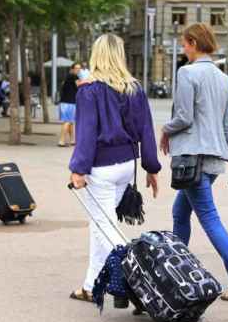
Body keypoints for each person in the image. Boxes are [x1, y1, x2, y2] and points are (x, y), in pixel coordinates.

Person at [159, 23, 228, 302]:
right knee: (180, 213)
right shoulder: (224, 78)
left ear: (192, 42)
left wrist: (165, 129)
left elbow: (184, 117)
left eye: (184, 43)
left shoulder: (187, 73)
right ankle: (177, 269)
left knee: (210, 219)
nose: (183, 48)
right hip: (213, 161)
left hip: (192, 160)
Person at [68, 34, 160, 302]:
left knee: (104, 228)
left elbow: (86, 133)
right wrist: (151, 167)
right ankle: (90, 285)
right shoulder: (135, 88)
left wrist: (78, 169)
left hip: (101, 167)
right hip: (127, 165)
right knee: (100, 225)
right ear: (120, 55)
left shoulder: (89, 91)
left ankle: (129, 282)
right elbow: (147, 130)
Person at [58, 63, 82, 147]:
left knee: (71, 122)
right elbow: (79, 85)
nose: (78, 70)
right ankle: (61, 141)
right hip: (70, 103)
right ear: (72, 69)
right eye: (76, 68)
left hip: (64, 102)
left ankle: (72, 140)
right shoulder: (74, 76)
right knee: (68, 122)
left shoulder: (67, 77)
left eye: (79, 68)